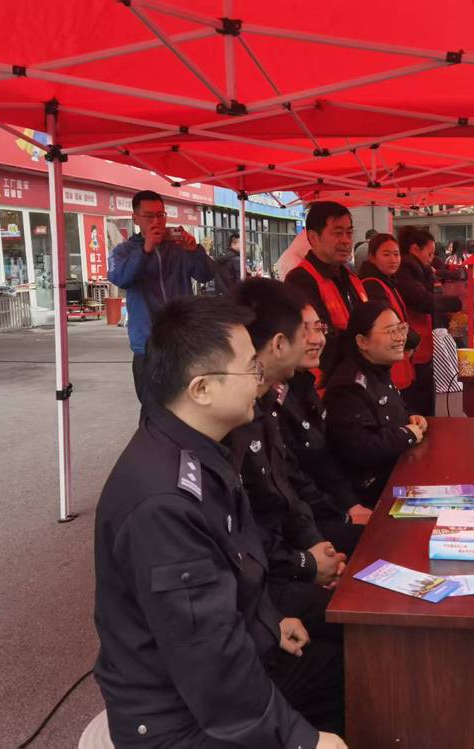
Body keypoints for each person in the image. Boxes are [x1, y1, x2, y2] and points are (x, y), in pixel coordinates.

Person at [93, 295, 346, 748]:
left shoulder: (199, 449)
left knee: (348, 671)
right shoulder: (164, 503)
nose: (260, 378)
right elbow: (211, 665)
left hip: (210, 680)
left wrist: (268, 624)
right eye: (250, 368)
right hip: (178, 721)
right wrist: (302, 741)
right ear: (202, 389)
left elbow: (233, 572)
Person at [227, 278, 349, 642]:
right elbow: (243, 533)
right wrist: (306, 564)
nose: (315, 339)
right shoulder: (230, 421)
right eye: (305, 330)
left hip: (282, 557)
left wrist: (314, 548)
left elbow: (287, 495)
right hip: (258, 584)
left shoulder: (266, 402)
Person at [108, 190, 214, 402]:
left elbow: (206, 275)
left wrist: (194, 251)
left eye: (161, 215)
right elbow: (120, 278)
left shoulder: (178, 246)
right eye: (149, 216)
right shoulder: (124, 251)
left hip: (182, 341)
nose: (156, 221)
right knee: (152, 407)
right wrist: (145, 250)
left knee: (189, 404)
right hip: (147, 344)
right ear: (135, 218)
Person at [281, 303, 374, 538]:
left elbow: (325, 459)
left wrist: (350, 506)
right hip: (304, 527)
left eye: (319, 328)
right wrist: (343, 516)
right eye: (304, 330)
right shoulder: (272, 402)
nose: (317, 339)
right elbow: (293, 484)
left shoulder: (305, 386)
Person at [324, 301, 428, 507]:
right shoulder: (348, 386)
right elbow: (360, 448)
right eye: (390, 331)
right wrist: (406, 435)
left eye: (401, 329)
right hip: (373, 495)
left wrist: (411, 416)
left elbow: (391, 411)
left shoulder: (378, 370)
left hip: (397, 475)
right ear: (362, 341)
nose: (401, 337)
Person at [285, 202, 368, 382]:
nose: (345, 240)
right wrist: (370, 344)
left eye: (349, 233)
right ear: (314, 237)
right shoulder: (301, 280)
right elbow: (322, 339)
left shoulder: (351, 277)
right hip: (325, 384)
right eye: (338, 233)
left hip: (358, 377)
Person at [394, 226, 463, 416]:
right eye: (430, 253)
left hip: (421, 342)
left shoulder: (418, 269)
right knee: (418, 400)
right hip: (413, 344)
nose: (432, 258)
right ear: (415, 249)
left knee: (425, 397)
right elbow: (422, 300)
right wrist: (454, 303)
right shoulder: (406, 270)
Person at [359, 233, 421, 394]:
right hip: (388, 366)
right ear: (372, 257)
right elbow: (389, 323)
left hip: (398, 361)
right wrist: (414, 340)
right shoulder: (372, 285)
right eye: (386, 254)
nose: (393, 259)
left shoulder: (387, 282)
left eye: (396, 254)